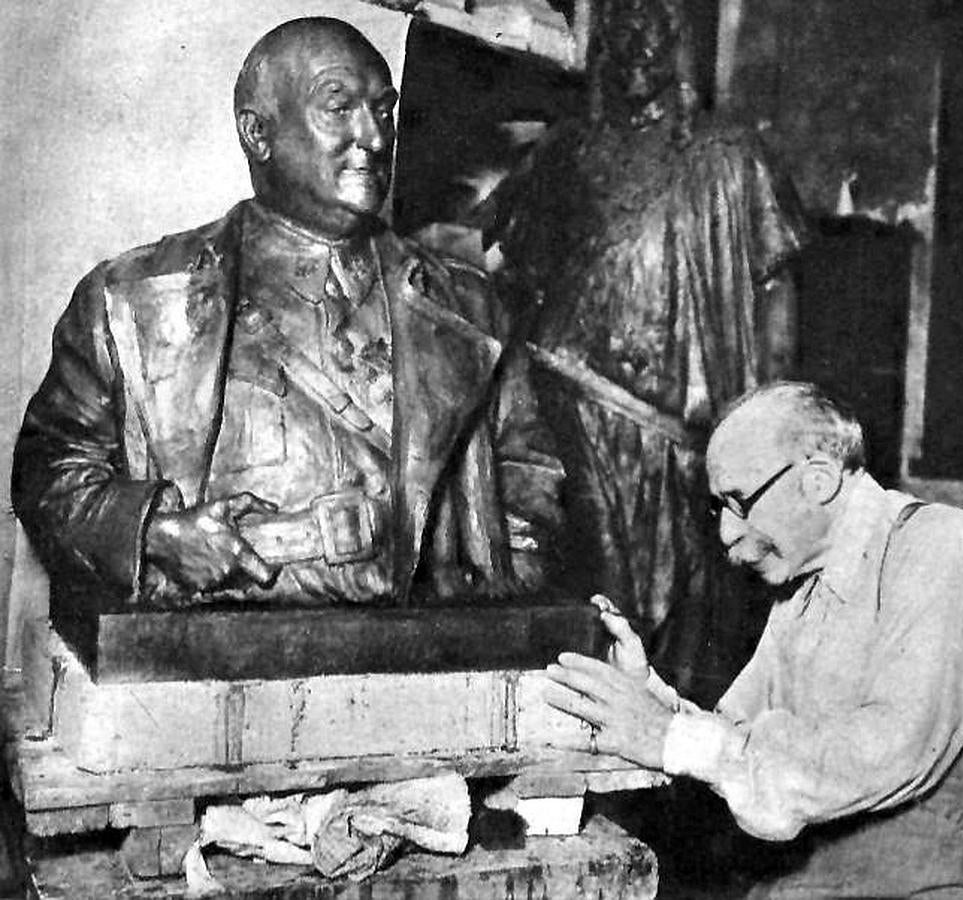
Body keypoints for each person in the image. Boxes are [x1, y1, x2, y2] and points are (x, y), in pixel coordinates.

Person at [11, 17, 564, 619]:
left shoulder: (470, 307)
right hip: (215, 649)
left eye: (383, 111)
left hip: (425, 644)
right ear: (258, 133)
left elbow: (530, 476)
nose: (373, 137)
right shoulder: (133, 302)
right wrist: (154, 535)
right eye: (339, 107)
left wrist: (492, 582)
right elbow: (49, 473)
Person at [545, 381, 963, 898]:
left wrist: (671, 738)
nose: (727, 534)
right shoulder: (802, 592)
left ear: (818, 479)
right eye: (719, 509)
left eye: (739, 502)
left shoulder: (941, 545)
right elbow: (737, 740)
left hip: (953, 871)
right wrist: (648, 696)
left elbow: (889, 752)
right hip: (849, 860)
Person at [487, 0, 808, 699]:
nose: (637, 44)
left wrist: (770, 426)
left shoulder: (730, 157)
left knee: (691, 632)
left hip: (686, 438)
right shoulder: (564, 155)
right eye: (622, 28)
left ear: (681, 41)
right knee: (589, 613)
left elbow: (775, 290)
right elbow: (515, 287)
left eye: (654, 27)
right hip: (571, 423)